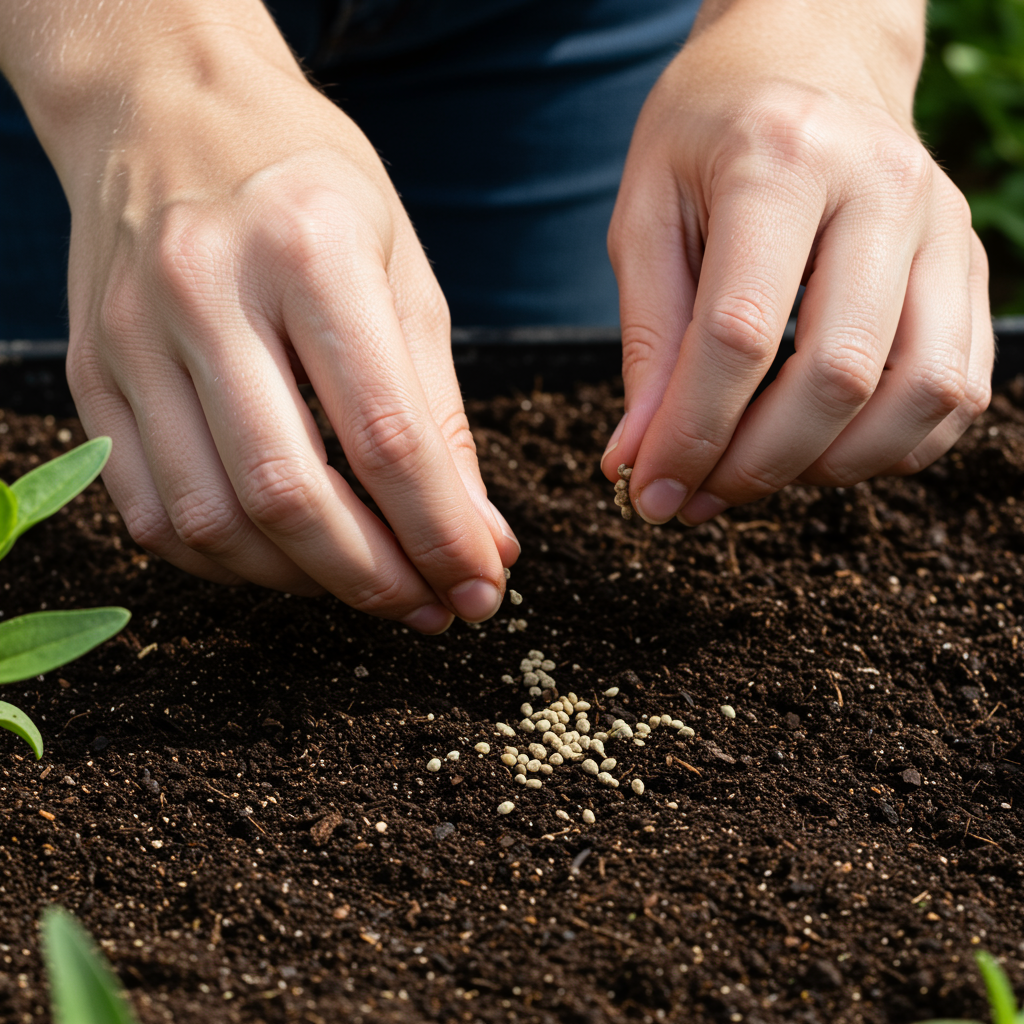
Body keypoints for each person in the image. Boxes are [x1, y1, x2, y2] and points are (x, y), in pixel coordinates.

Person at [0, 0, 992, 634]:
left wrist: (828, 30)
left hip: (554, 29)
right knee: (161, 404)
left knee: (602, 371)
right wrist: (142, 71)